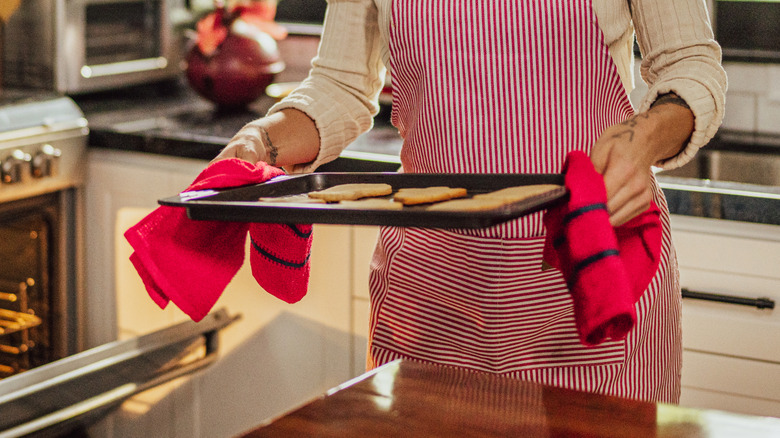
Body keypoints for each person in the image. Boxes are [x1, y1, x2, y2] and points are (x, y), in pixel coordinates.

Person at [215, 0, 727, 403]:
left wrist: (641, 140)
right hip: (432, 285)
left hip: (585, 270)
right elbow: (341, 84)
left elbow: (689, 65)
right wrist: (261, 141)